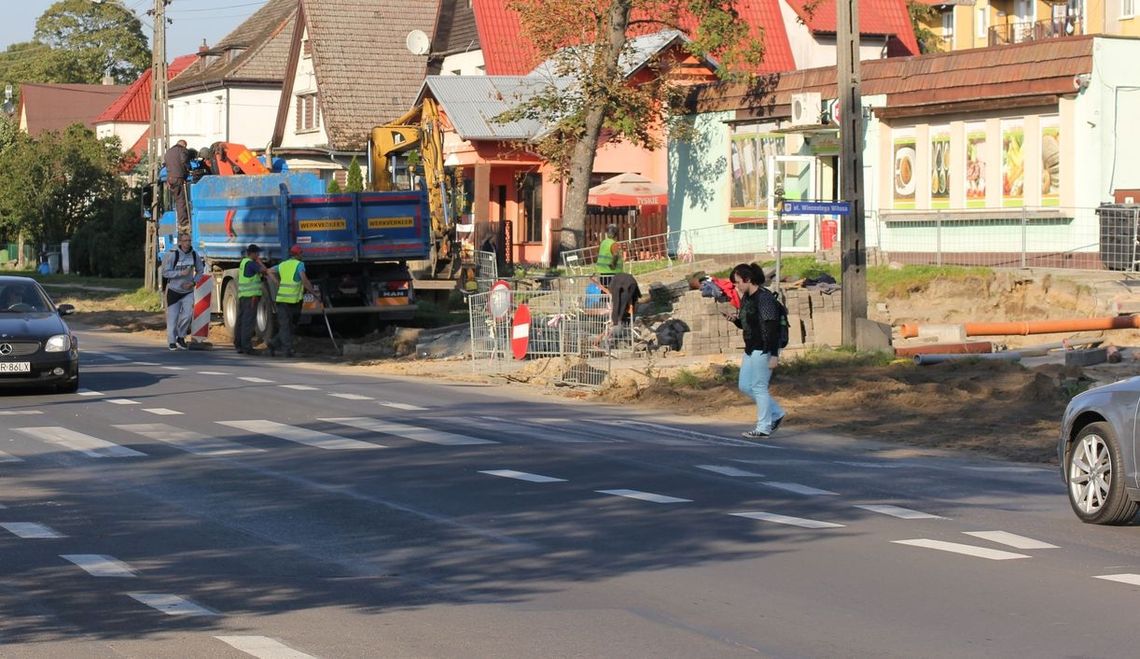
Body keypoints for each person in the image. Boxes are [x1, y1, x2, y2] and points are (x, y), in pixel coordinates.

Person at [725, 262, 786, 439]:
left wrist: (774, 355)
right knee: (745, 386)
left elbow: (772, 328)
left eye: (737, 282)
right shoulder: (747, 298)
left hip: (764, 348)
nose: (736, 286)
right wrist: (735, 320)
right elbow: (748, 323)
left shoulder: (765, 299)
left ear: (748, 279)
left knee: (759, 387)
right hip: (751, 348)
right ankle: (776, 413)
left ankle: (764, 427)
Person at [268, 245, 317, 357]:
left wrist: (277, 282)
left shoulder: (283, 264)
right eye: (301, 253)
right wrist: (314, 293)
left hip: (282, 300)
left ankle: (273, 343)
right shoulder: (299, 265)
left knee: (287, 325)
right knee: (288, 326)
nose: (302, 255)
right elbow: (304, 280)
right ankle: (287, 350)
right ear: (298, 254)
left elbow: (269, 271)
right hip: (293, 301)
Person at [161, 232, 205, 351]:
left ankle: (181, 336)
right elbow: (165, 273)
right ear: (180, 242)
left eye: (189, 241)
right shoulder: (173, 255)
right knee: (172, 318)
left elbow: (201, 271)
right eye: (185, 241)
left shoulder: (194, 255)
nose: (187, 243)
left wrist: (193, 282)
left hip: (187, 291)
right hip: (174, 291)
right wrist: (180, 273)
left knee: (187, 315)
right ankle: (171, 341)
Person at [234, 243, 276, 355]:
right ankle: (247, 347)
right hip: (251, 297)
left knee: (241, 321)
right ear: (251, 253)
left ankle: (239, 345)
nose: (258, 255)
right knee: (248, 322)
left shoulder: (244, 262)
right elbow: (263, 271)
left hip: (243, 296)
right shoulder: (251, 264)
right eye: (257, 253)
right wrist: (259, 262)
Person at [164, 139, 190, 227]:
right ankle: (184, 222)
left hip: (170, 179)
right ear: (184, 145)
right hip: (178, 177)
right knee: (181, 200)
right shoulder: (182, 150)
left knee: (176, 199)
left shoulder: (168, 152)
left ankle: (179, 220)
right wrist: (187, 172)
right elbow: (184, 162)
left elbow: (167, 165)